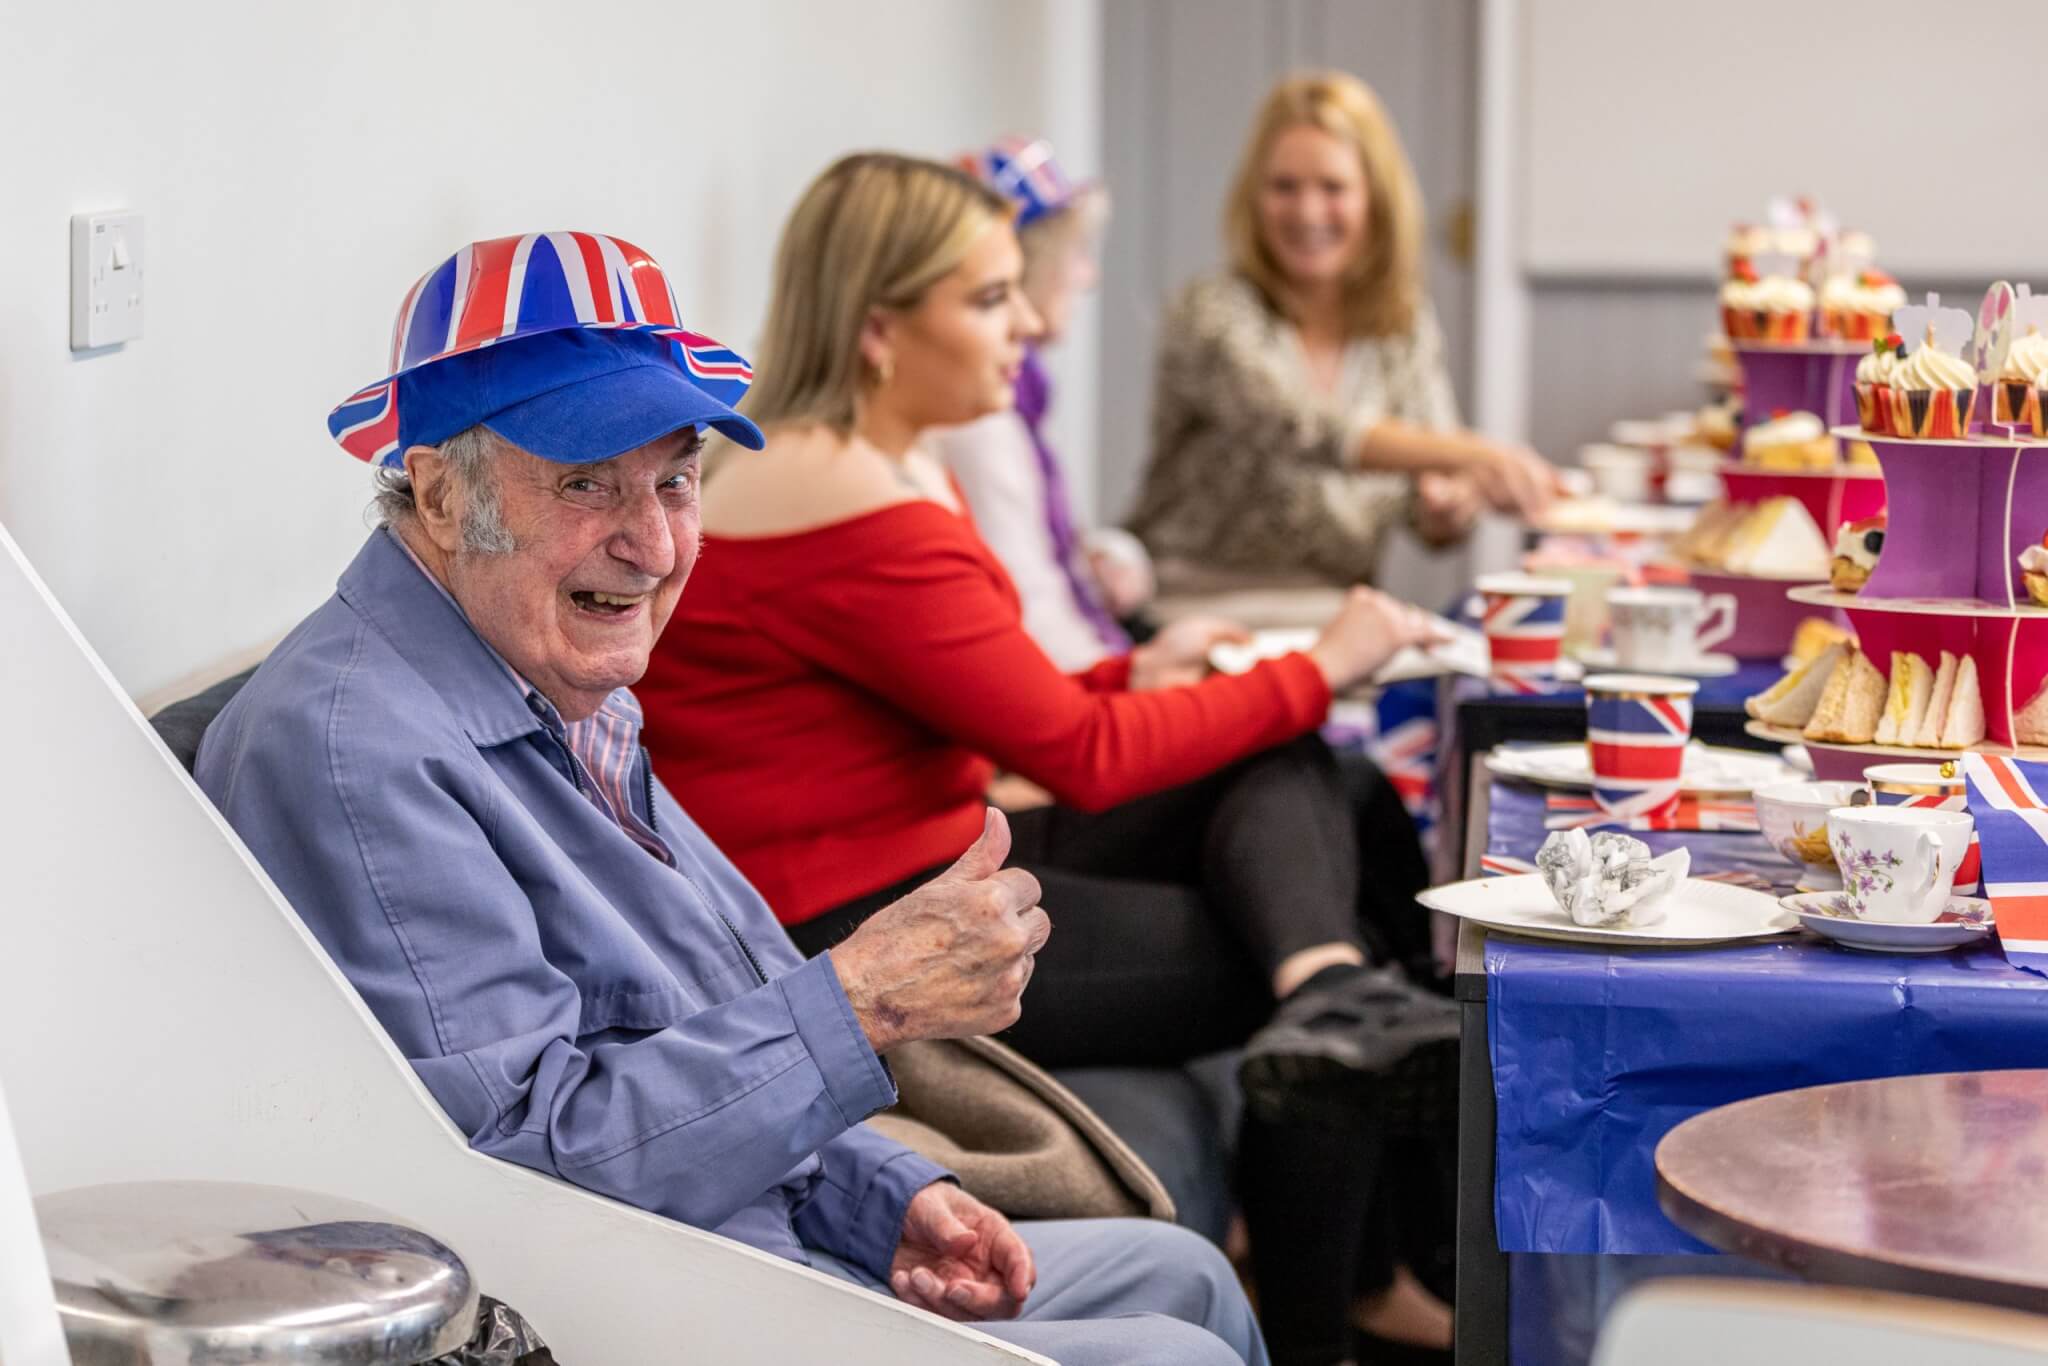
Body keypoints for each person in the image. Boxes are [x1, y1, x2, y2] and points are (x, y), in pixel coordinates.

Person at [195, 231, 1267, 1366]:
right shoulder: (357, 750)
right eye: (584, 482)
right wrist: (862, 1002)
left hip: (748, 1232)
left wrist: (880, 1193)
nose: (654, 545)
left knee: (1185, 1274)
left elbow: (690, 1018)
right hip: (656, 1300)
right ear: (439, 491)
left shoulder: (560, 678)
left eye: (674, 476)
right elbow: (521, 1175)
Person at [634, 158, 1460, 1365]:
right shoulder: (842, 495)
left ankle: (1352, 1188)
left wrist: (1148, 665)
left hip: (928, 845)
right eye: (988, 299)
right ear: (879, 328)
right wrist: (1321, 662)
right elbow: (1074, 755)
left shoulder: (876, 463)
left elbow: (999, 700)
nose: (1027, 324)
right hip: (861, 926)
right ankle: (1324, 1290)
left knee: (1315, 784)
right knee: (1294, 925)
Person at [1129, 70, 1562, 591]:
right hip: (1199, 596)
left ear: (1375, 199)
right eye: (1284, 187)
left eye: (1333, 188)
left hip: (1337, 606)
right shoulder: (1213, 310)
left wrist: (1444, 507)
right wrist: (1477, 453)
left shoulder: (1401, 322)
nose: (1308, 212)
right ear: (1254, 196)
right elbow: (1307, 425)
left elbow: (1430, 494)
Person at [929, 137, 1152, 671]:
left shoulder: (1020, 394)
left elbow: (1042, 557)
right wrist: (1149, 690)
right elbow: (1032, 618)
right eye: (1077, 254)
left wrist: (1111, 557)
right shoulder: (977, 413)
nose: (1088, 277)